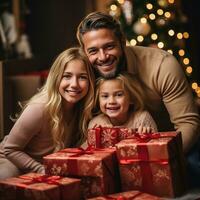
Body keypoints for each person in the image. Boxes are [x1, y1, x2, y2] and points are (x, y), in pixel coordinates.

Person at [76, 11, 200, 154]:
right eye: (93, 51)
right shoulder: (83, 73)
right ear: (85, 52)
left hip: (166, 148)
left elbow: (188, 124)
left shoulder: (162, 64)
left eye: (109, 46)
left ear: (122, 41)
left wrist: (158, 157)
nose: (103, 57)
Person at [0, 47, 95, 179]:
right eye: (67, 76)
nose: (74, 84)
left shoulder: (82, 109)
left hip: (46, 166)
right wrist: (40, 169)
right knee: (8, 177)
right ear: (56, 78)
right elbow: (10, 149)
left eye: (82, 77)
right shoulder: (39, 108)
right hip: (11, 160)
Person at [88, 72, 157, 134]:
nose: (111, 101)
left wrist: (147, 137)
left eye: (119, 95)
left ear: (132, 98)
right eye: (105, 96)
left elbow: (157, 145)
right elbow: (88, 147)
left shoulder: (142, 118)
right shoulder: (96, 123)